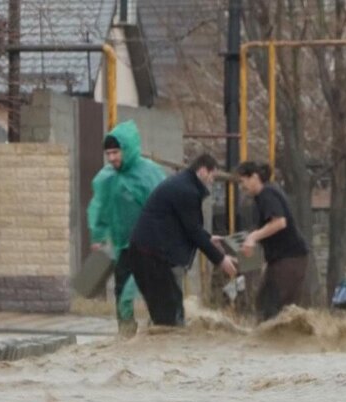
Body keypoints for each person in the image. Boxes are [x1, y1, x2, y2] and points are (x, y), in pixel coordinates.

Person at [121, 154, 238, 327]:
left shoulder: (182, 184)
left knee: (169, 312)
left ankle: (156, 347)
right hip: (151, 257)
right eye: (212, 175)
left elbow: (183, 225)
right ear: (203, 170)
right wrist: (220, 259)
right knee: (168, 318)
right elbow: (193, 231)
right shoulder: (187, 191)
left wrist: (208, 238)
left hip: (150, 255)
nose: (212, 181)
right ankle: (159, 348)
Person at [86, 120, 167, 336]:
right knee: (122, 294)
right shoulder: (107, 178)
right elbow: (100, 206)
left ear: (127, 149)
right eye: (108, 153)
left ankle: (161, 333)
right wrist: (98, 235)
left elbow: (166, 207)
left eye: (116, 152)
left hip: (150, 247)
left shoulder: (149, 174)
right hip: (123, 247)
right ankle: (126, 337)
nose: (112, 158)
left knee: (149, 293)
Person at [236, 161, 310, 321]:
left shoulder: (267, 194)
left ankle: (280, 342)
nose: (241, 186)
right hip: (280, 259)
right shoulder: (262, 196)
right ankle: (271, 342)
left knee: (273, 307)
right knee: (264, 303)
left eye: (242, 181)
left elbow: (279, 222)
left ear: (254, 177)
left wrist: (253, 237)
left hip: (290, 258)